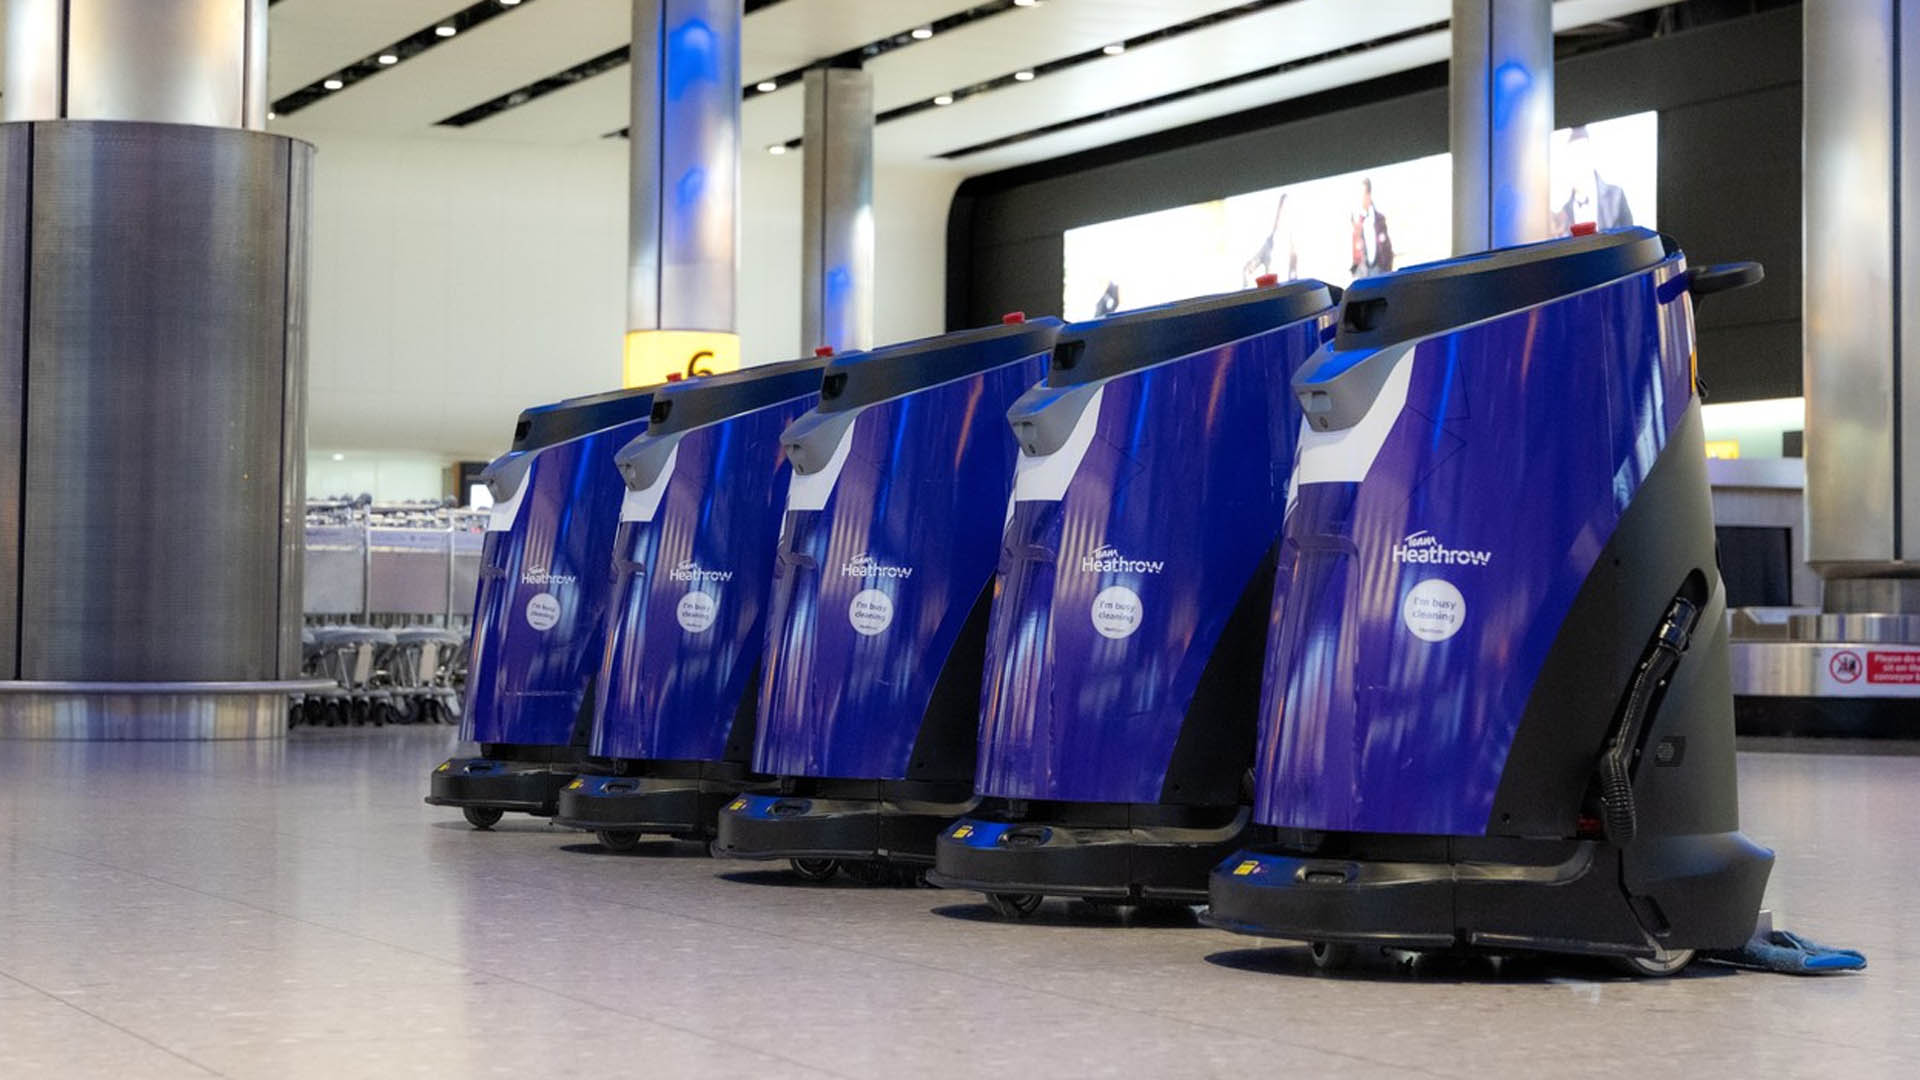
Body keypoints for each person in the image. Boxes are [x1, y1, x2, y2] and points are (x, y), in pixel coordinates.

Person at [1553, 125, 1634, 235]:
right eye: (1572, 157)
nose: (1578, 163)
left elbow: (1631, 239)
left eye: (1582, 154)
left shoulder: (1616, 196)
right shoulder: (1565, 212)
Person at [1243, 192, 1298, 284]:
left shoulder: (1295, 243)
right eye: (1280, 210)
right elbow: (1249, 268)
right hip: (1273, 290)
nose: (1281, 215)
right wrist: (1246, 283)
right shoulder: (1269, 243)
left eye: (1285, 211)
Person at [1350, 178, 1393, 278]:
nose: (1361, 199)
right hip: (1364, 273)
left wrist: (1387, 267)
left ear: (1368, 195)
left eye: (1363, 195)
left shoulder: (1379, 219)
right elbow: (1356, 250)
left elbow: (1387, 247)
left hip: (1380, 270)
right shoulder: (1358, 223)